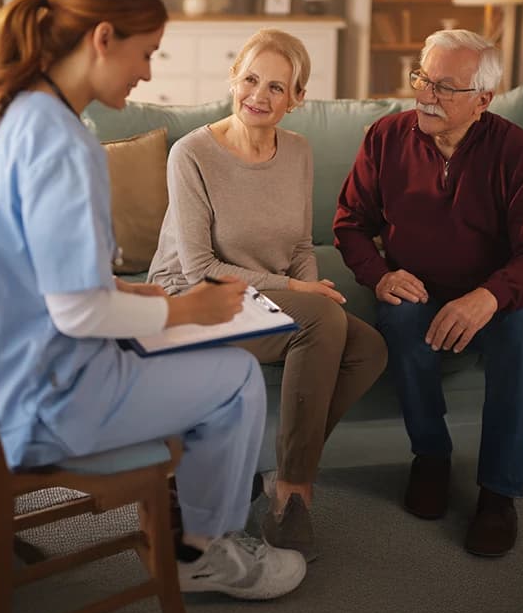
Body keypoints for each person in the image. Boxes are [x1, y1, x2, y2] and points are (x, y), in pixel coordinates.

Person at [0, 0, 307, 600]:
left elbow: (36, 276)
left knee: (199, 356)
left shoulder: (12, 115)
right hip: (46, 401)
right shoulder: (66, 144)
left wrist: (126, 292)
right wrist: (187, 312)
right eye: (146, 53)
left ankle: (194, 523)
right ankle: (206, 552)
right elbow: (77, 314)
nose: (148, 72)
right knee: (235, 378)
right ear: (102, 39)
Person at [148, 28, 388, 562]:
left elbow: (301, 244)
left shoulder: (298, 151)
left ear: (297, 99)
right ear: (233, 78)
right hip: (191, 301)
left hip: (262, 299)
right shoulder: (191, 154)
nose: (260, 95)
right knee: (321, 323)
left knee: (369, 347)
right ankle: (292, 495)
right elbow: (200, 267)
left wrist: (314, 285)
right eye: (251, 79)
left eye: (277, 88)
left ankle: (277, 469)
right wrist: (302, 291)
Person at [333, 28, 523, 557]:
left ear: (483, 100)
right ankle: (431, 458)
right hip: (417, 285)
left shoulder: (518, 153)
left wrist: (489, 296)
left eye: (444, 87)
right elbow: (349, 223)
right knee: (400, 320)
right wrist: (380, 275)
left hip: (496, 295)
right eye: (422, 78)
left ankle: (499, 492)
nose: (424, 95)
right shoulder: (386, 137)